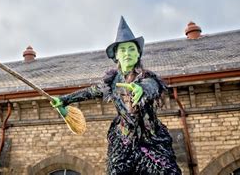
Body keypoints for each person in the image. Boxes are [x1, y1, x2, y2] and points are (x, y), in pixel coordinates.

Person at [51, 17, 181, 175]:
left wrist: (140, 89)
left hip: (151, 141)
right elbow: (89, 92)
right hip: (123, 141)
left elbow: (152, 86)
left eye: (132, 49)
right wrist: (64, 99)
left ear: (138, 54)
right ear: (116, 56)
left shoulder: (146, 77)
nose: (128, 53)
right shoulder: (112, 82)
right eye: (123, 50)